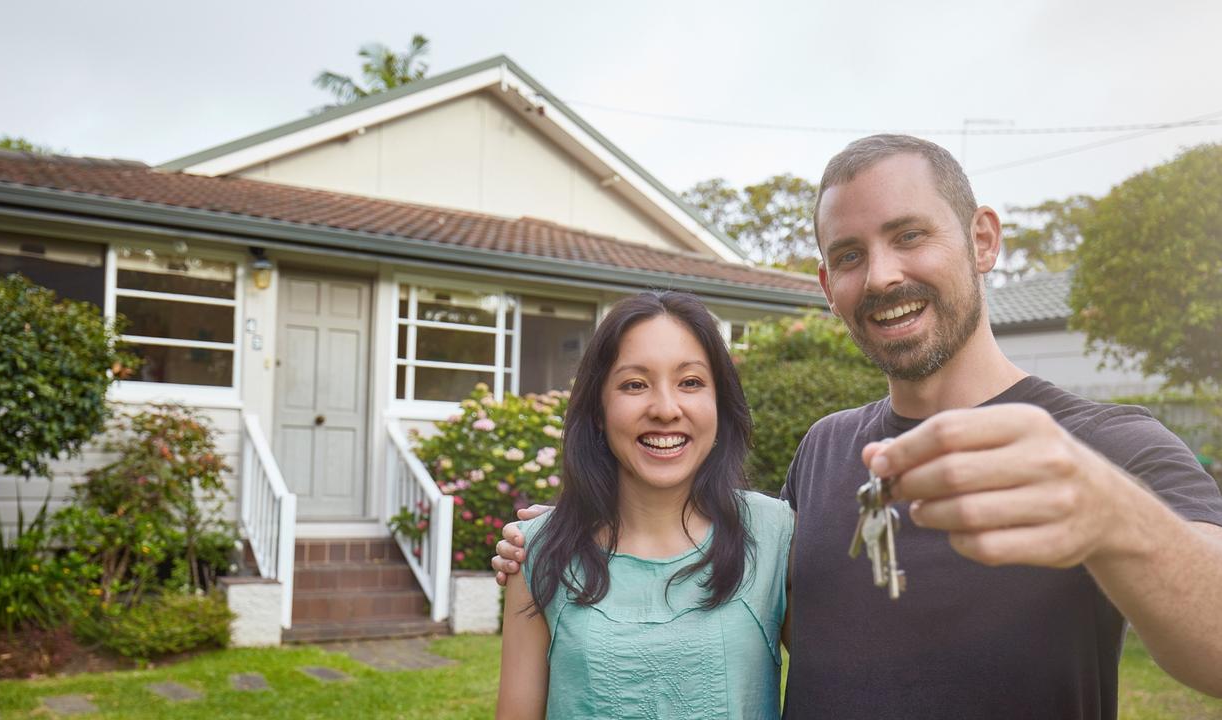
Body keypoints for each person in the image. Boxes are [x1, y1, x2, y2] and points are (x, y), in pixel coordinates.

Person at [495, 135, 1222, 719]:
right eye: (848, 256)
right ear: (826, 287)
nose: (879, 277)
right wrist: (562, 534)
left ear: (982, 240)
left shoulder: (1108, 446)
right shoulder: (824, 449)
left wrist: (1111, 514)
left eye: (909, 236)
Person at [496, 291, 794, 719]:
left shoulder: (775, 535)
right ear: (598, 410)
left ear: (719, 403)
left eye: (690, 382)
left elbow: (847, 683)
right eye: (634, 384)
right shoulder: (537, 551)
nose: (666, 409)